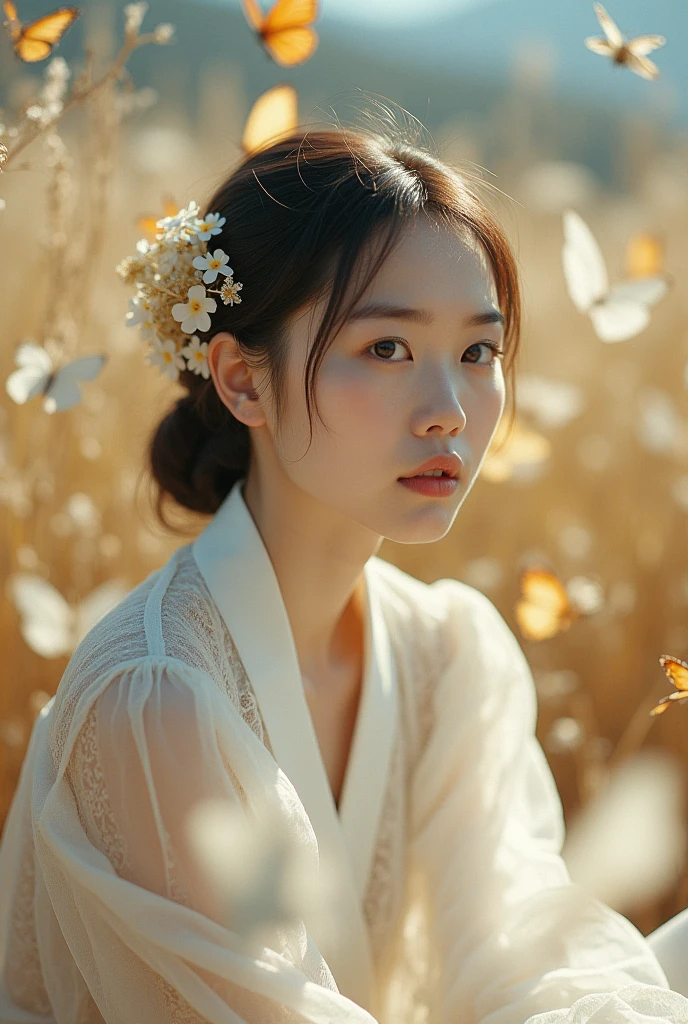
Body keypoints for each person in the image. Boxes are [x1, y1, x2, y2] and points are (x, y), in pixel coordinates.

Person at [0, 126, 686, 1024]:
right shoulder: (157, 698)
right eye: (387, 349)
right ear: (243, 381)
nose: (449, 413)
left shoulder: (449, 651)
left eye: (479, 353)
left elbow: (520, 948)